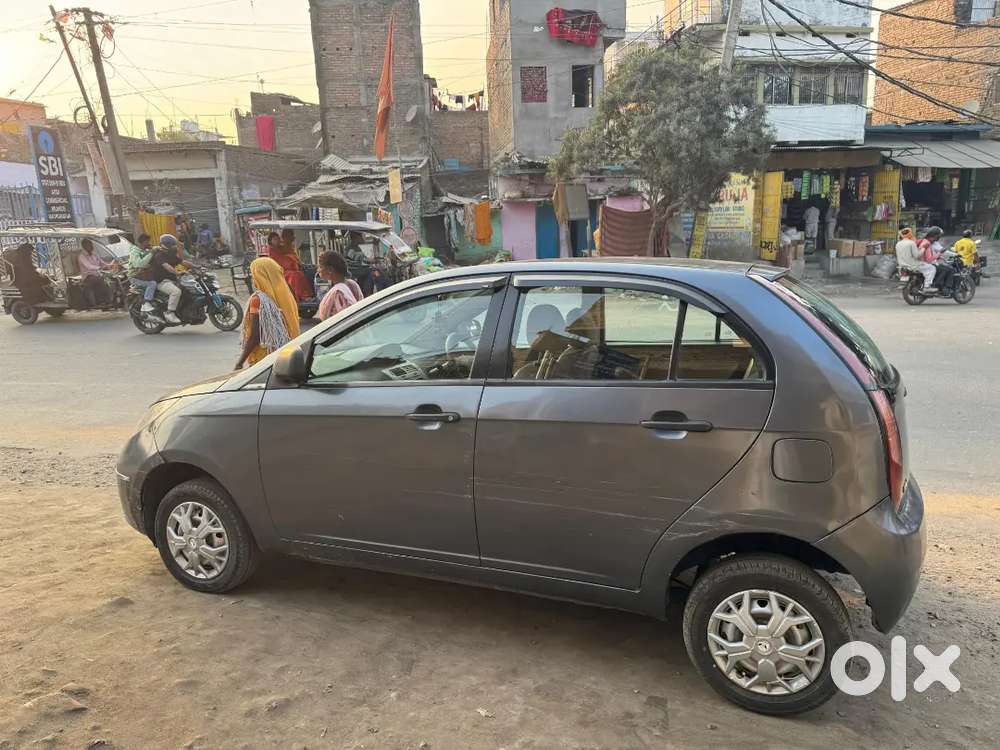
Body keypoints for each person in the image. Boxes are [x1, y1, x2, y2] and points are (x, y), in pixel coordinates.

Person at [236, 257, 301, 369]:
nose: (253, 278)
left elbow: (255, 336)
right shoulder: (287, 295)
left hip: (265, 359)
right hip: (287, 355)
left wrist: (239, 362)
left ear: (259, 276)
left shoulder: (258, 300)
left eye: (253, 274)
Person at [266, 231, 313, 301]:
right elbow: (281, 262)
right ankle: (303, 296)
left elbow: (293, 256)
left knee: (302, 274)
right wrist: (292, 264)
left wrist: (297, 263)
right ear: (270, 241)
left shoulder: (283, 247)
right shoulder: (272, 250)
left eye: (278, 238)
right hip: (280, 272)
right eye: (275, 239)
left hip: (288, 270)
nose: (278, 240)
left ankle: (308, 294)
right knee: (295, 276)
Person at [317, 251, 364, 320]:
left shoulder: (339, 292)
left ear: (330, 270)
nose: (318, 270)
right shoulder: (352, 284)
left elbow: (345, 320)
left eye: (320, 267)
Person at [151, 234, 185, 324]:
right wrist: (177, 273)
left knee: (187, 289)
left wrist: (197, 266)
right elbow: (168, 267)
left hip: (172, 280)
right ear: (166, 245)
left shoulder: (170, 254)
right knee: (176, 292)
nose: (174, 247)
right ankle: (170, 313)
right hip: (162, 281)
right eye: (172, 245)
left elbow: (182, 261)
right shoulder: (159, 255)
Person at [896, 227, 935, 291]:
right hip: (913, 265)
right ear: (910, 234)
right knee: (932, 268)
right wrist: (924, 248)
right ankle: (927, 286)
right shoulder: (911, 243)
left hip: (902, 265)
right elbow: (917, 255)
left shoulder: (898, 243)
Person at [128, 234, 159, 314]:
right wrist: (151, 253)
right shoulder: (134, 252)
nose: (149, 243)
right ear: (143, 242)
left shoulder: (144, 250)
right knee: (152, 284)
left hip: (143, 275)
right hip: (135, 277)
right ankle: (146, 303)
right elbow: (139, 264)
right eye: (147, 242)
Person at [78, 238, 112, 307]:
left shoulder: (94, 254)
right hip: (88, 277)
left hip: (97, 274)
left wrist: (110, 266)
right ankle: (104, 301)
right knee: (102, 280)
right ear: (84, 246)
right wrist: (99, 268)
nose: (92, 247)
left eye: (91, 245)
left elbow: (102, 263)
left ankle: (110, 299)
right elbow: (89, 266)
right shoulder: (81, 256)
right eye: (89, 245)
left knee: (111, 278)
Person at [919, 227, 954, 292]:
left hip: (922, 263)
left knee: (942, 268)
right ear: (934, 236)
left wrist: (938, 255)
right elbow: (929, 259)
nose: (938, 238)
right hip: (926, 264)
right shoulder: (927, 243)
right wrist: (939, 253)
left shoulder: (924, 241)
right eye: (938, 236)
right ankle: (939, 286)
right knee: (947, 269)